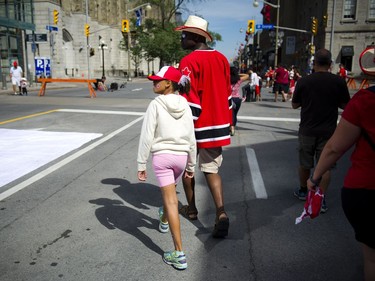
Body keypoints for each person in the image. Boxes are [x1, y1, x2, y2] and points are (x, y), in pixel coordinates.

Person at [307, 85, 375, 281]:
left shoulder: (366, 100)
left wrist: (315, 177)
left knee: (372, 258)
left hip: (367, 189)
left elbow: (335, 148)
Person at [175, 15, 232, 238]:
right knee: (211, 169)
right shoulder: (222, 59)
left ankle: (191, 209)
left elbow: (190, 100)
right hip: (218, 124)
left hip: (196, 124)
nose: (182, 38)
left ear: (195, 37)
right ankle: (221, 212)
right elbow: (227, 94)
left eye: (184, 34)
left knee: (189, 168)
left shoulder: (188, 61)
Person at [137, 66, 196, 270]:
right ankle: (163, 219)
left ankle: (179, 254)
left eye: (158, 80)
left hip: (162, 157)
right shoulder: (186, 105)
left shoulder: (156, 104)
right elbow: (191, 137)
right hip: (180, 158)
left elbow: (147, 135)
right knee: (170, 199)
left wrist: (141, 163)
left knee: (170, 201)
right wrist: (191, 164)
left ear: (168, 83)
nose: (154, 83)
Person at [292, 48, 350, 212]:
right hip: (329, 131)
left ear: (314, 63)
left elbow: (294, 104)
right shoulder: (338, 82)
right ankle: (320, 198)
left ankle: (303, 190)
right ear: (330, 64)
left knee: (305, 164)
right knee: (325, 166)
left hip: (307, 130)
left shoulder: (304, 81)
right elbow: (346, 105)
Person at [230, 66, 249, 135]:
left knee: (230, 114)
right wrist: (237, 74)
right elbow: (247, 75)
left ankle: (231, 127)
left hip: (229, 99)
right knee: (235, 114)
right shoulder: (239, 79)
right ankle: (233, 126)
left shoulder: (226, 79)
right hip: (237, 99)